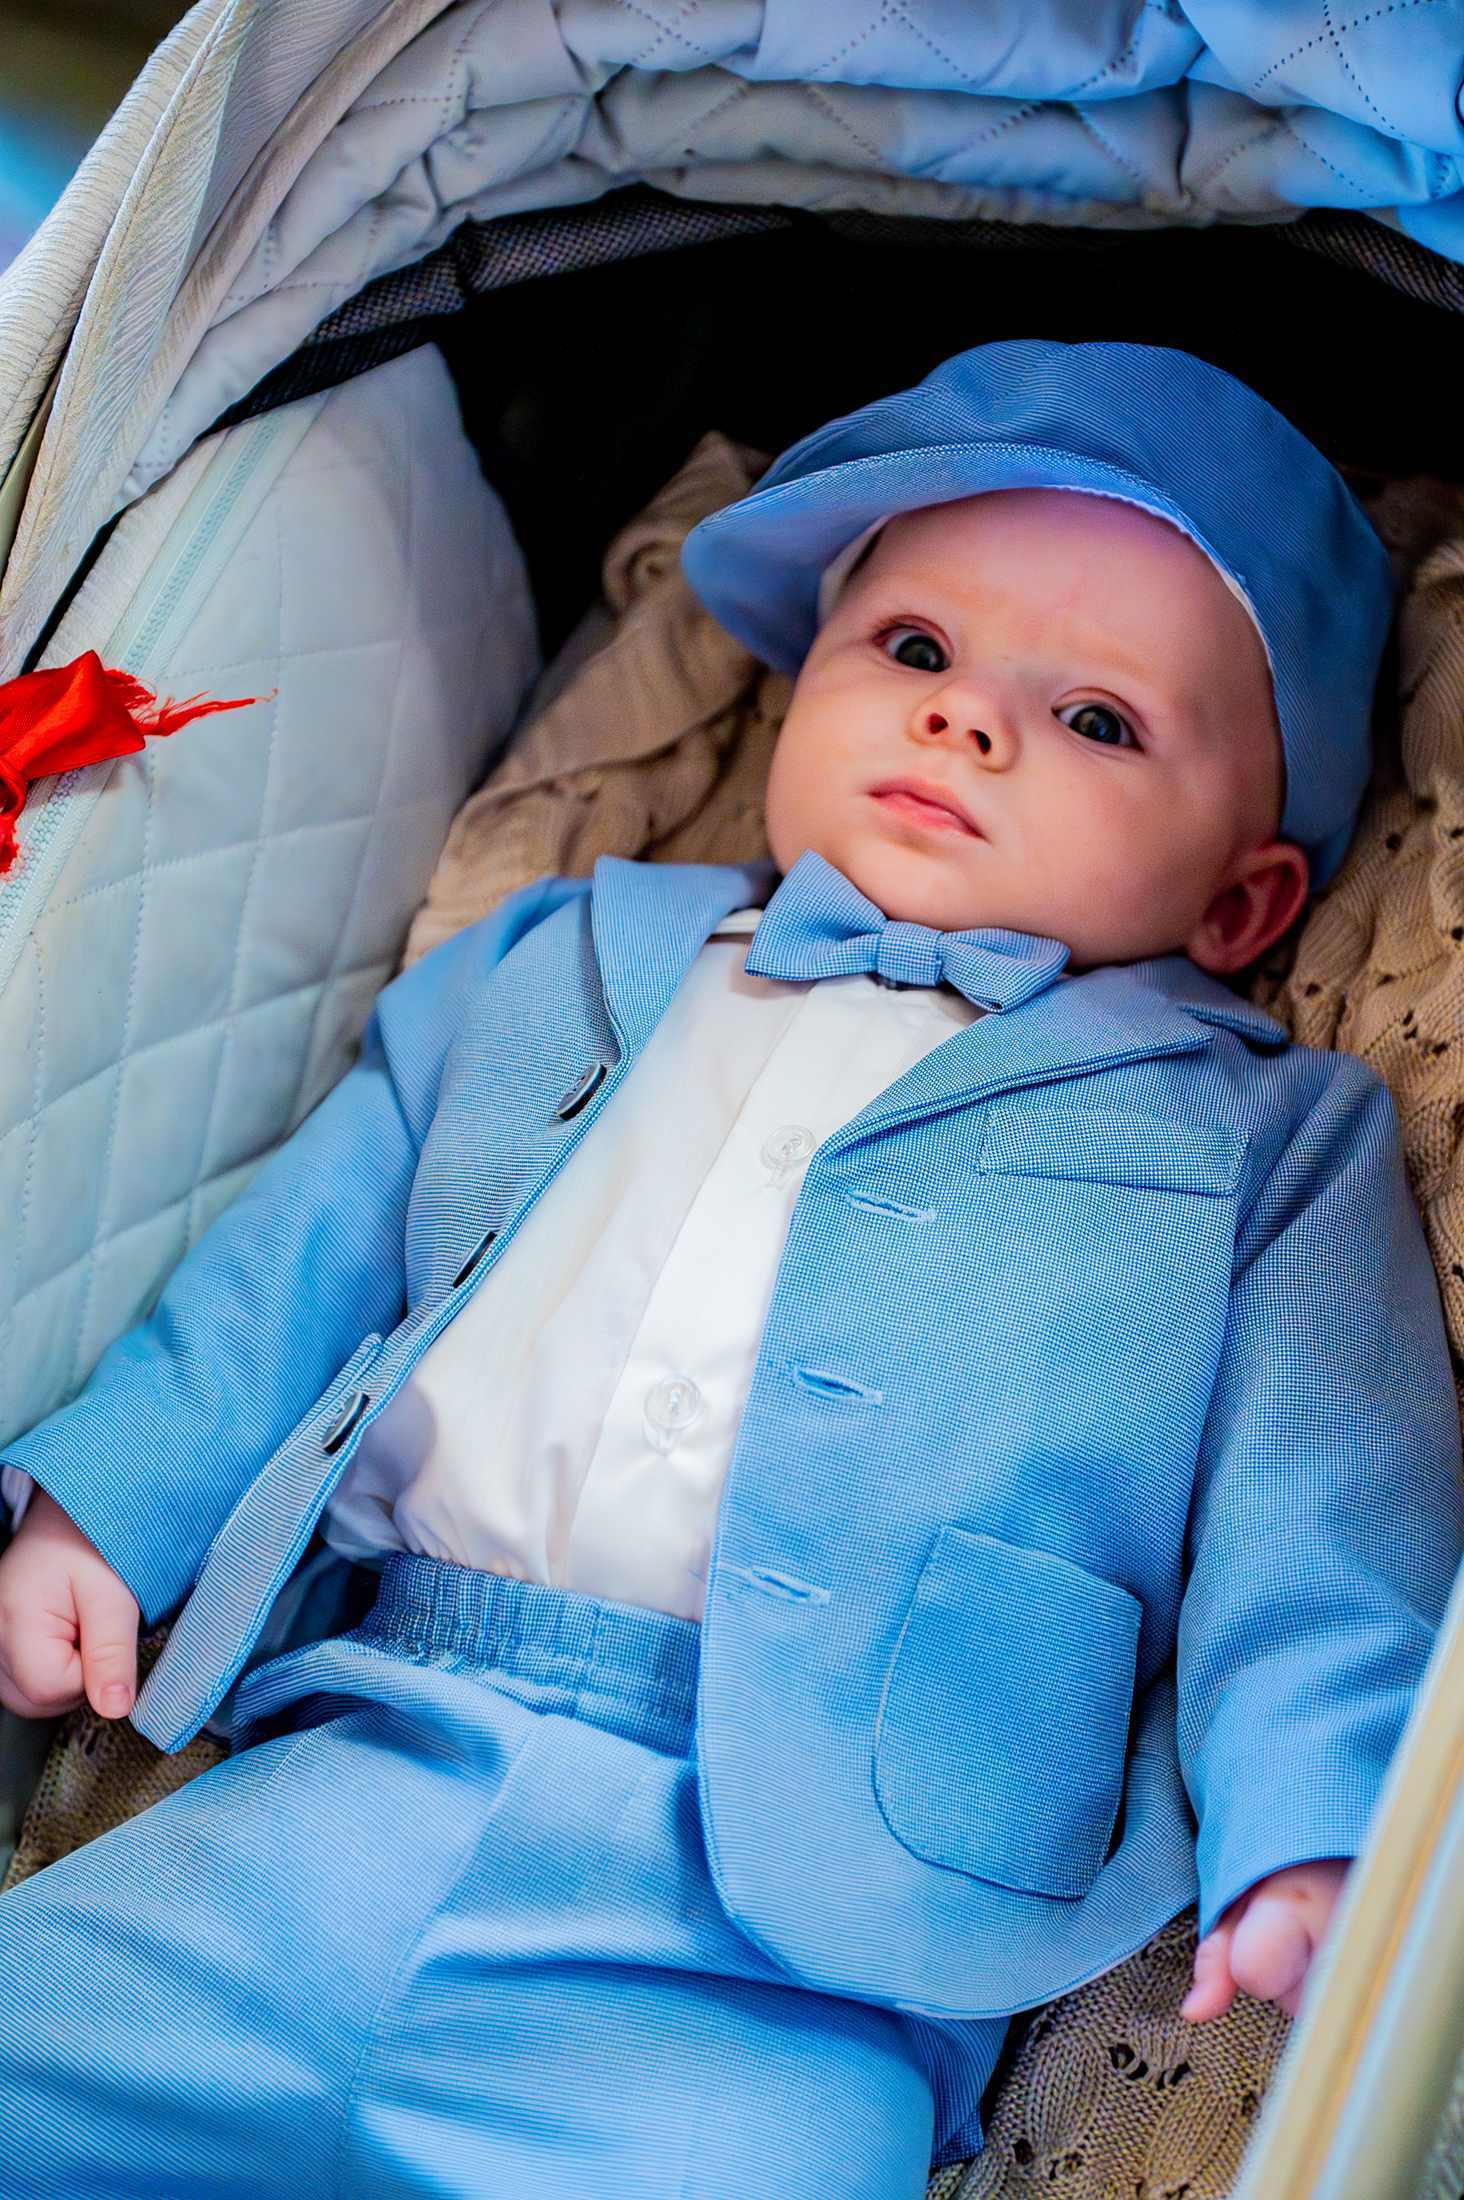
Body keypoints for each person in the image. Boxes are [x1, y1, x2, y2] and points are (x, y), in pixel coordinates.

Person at [0, 340, 1458, 2199]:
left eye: (1098, 719)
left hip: (807, 1948)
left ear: (1243, 901)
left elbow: (1327, 1514)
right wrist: (111, 1503)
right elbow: (306, 1253)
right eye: (913, 650)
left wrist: (1324, 1832)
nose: (967, 722)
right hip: (349, 1763)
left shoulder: (1259, 1135)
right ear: (799, 694)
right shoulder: (568, 948)